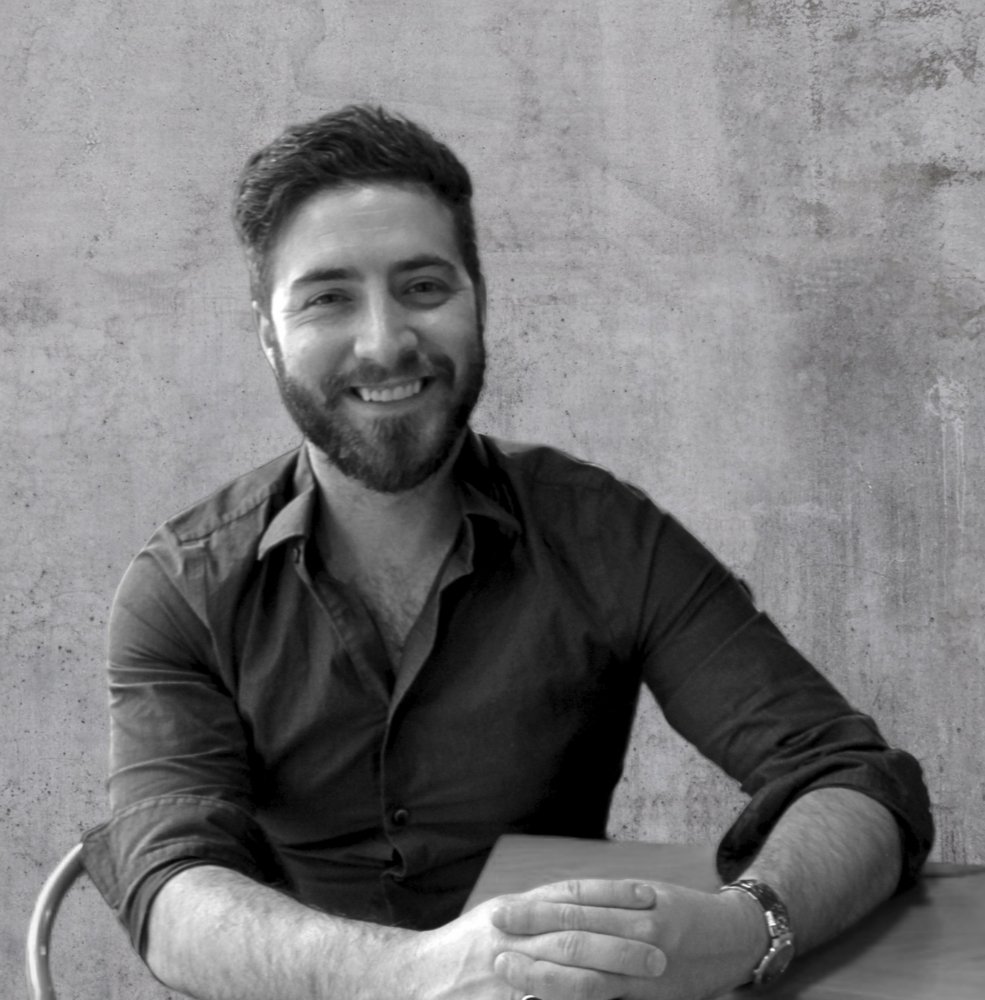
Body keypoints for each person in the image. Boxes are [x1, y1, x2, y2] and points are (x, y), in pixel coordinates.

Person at [82, 105, 932, 1000]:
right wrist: (415, 974)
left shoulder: (605, 532)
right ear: (267, 334)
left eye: (422, 287)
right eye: (329, 297)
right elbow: (169, 892)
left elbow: (851, 778)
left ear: (476, 300)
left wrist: (741, 928)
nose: (384, 342)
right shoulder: (182, 586)